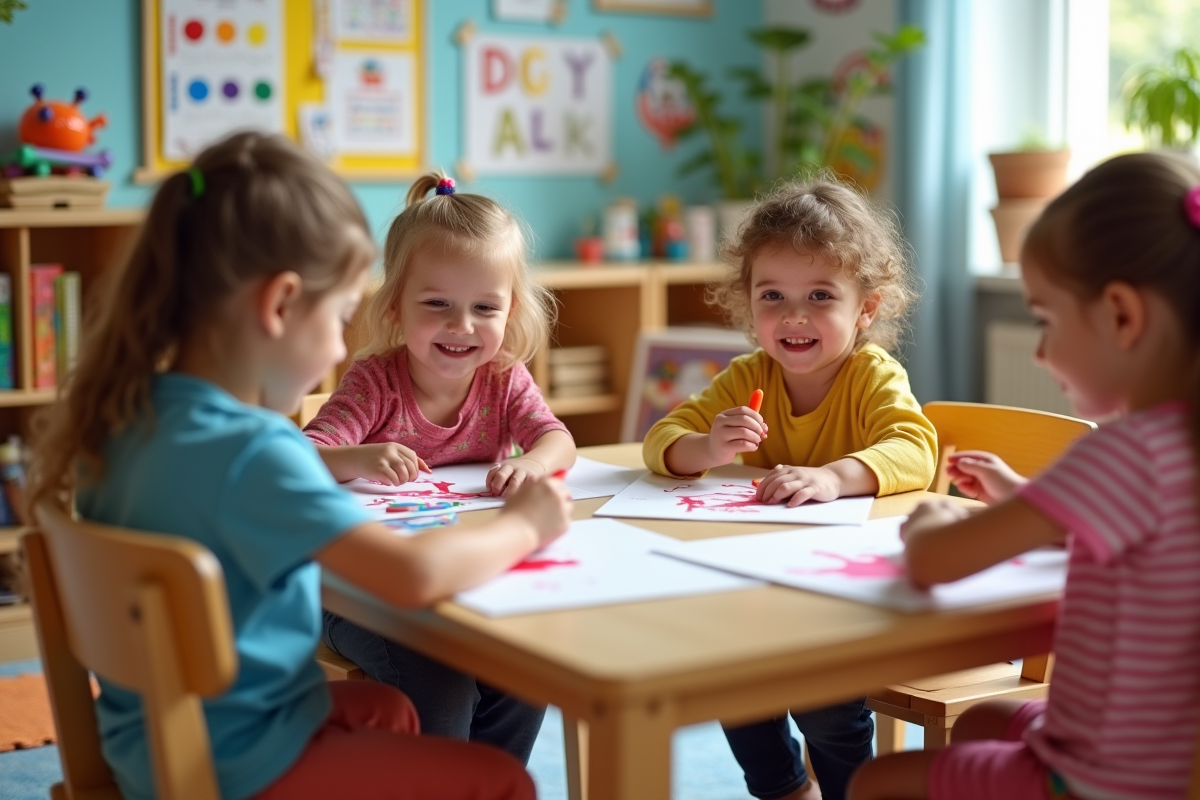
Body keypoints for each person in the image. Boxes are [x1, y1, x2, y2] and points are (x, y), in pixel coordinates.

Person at [25, 132, 572, 800]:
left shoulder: (123, 418)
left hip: (151, 740)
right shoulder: (255, 452)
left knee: (394, 712)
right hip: (233, 765)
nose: (344, 344)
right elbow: (412, 576)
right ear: (280, 306)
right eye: (341, 317)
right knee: (502, 781)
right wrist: (525, 525)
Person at [849, 151, 1200, 800]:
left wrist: (931, 515)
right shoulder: (1179, 449)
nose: (1040, 352)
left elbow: (936, 561)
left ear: (1121, 315)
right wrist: (1025, 499)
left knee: (876, 782)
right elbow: (1143, 543)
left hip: (1100, 780)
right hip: (1175, 765)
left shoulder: (1127, 453)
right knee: (980, 718)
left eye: (1046, 322)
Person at [643, 176, 937, 800]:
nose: (793, 315)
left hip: (846, 594)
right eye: (771, 295)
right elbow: (661, 438)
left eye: (820, 295)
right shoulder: (748, 375)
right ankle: (781, 790)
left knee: (827, 709)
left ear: (866, 308)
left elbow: (915, 450)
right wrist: (705, 446)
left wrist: (833, 476)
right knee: (726, 677)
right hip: (758, 588)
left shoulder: (871, 375)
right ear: (747, 304)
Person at [304, 171, 575, 763]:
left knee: (521, 668)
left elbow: (558, 440)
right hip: (355, 591)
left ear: (511, 311)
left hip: (463, 578)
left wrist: (533, 462)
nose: (462, 327)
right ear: (395, 305)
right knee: (441, 682)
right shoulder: (375, 381)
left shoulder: (504, 378)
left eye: (485, 308)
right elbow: (300, 460)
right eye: (437, 305)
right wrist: (359, 456)